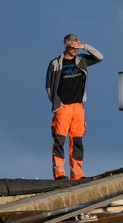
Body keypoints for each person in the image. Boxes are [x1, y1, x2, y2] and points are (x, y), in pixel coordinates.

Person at [44, 34, 103, 180]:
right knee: (59, 140)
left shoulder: (81, 60)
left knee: (77, 140)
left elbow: (99, 57)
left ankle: (77, 173)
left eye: (77, 46)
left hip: (78, 107)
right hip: (63, 108)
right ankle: (59, 173)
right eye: (73, 46)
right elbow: (49, 86)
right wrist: (57, 104)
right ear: (66, 46)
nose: (75, 49)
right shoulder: (56, 63)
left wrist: (85, 46)